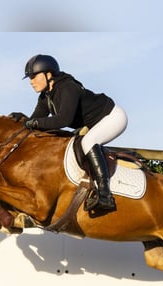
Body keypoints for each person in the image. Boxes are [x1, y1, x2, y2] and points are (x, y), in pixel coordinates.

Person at [10, 54, 128, 212]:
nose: (31, 81)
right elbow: (36, 122)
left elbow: (62, 120)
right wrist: (22, 120)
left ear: (49, 74)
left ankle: (105, 196)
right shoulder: (45, 97)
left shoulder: (67, 88)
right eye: (29, 78)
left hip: (112, 117)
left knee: (88, 142)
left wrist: (32, 123)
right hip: (93, 124)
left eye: (33, 76)